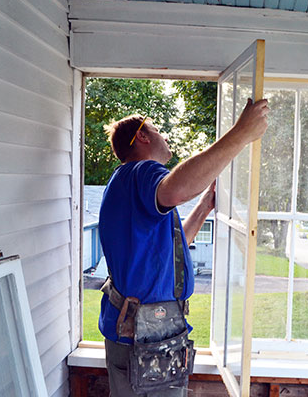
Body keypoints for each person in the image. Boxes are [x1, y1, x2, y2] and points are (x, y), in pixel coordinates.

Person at [98, 98, 269, 396]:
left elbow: (175, 246)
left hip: (147, 336)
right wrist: (242, 133)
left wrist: (204, 206)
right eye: (158, 130)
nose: (165, 138)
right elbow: (177, 189)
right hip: (143, 339)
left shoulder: (131, 188)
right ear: (142, 136)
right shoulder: (142, 172)